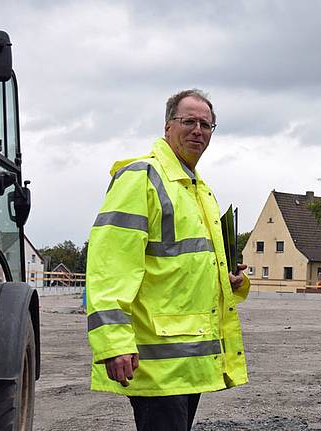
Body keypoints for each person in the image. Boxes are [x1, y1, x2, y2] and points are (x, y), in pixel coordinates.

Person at [85, 89, 250, 431]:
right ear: (167, 126)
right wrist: (114, 343)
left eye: (206, 124)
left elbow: (185, 267)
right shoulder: (141, 177)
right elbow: (110, 268)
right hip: (155, 361)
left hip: (184, 365)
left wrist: (231, 282)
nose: (198, 131)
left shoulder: (197, 189)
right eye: (188, 121)